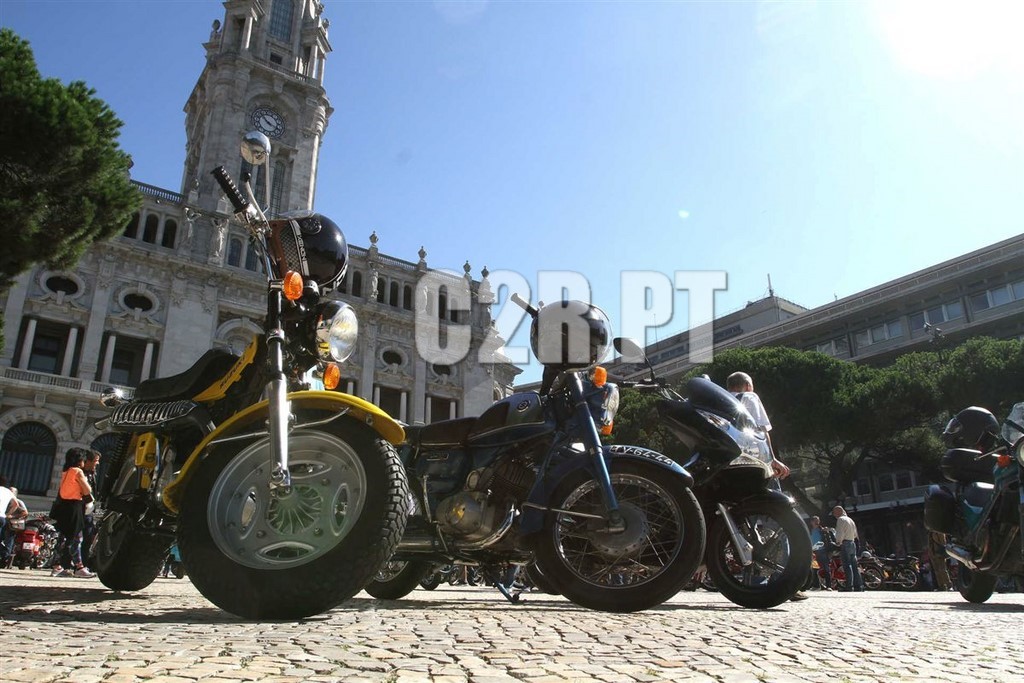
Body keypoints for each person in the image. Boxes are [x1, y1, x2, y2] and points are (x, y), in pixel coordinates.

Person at [726, 371, 806, 601]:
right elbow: (761, 430)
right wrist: (773, 460)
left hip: (733, 468)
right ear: (747, 386)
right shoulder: (750, 398)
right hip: (757, 465)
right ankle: (784, 582)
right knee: (779, 519)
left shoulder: (722, 400)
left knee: (747, 523)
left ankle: (753, 581)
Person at [49, 448, 96, 578]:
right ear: (79, 460)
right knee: (76, 537)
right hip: (75, 506)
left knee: (63, 537)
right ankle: (79, 567)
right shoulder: (77, 471)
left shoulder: (66, 471)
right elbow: (87, 490)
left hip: (64, 506)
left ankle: (57, 566)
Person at [833, 505, 864, 591]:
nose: (834, 514)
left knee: (847, 565)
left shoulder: (840, 519)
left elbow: (840, 532)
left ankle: (849, 586)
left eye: (834, 512)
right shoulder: (850, 520)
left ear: (839, 511)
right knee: (854, 565)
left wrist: (838, 542)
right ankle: (859, 586)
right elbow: (855, 534)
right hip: (852, 542)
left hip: (845, 543)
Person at [0, 477, 29, 567]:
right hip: (4, 520)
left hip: (11, 523)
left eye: (12, 491)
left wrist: (11, 516)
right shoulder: (6, 496)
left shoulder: (18, 502)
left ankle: (6, 556)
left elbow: (25, 512)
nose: (10, 492)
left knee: (9, 539)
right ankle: (5, 554)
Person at [809, 515, 834, 590]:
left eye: (818, 520)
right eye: (815, 520)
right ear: (811, 522)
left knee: (826, 568)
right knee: (814, 569)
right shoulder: (809, 531)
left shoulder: (822, 530)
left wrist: (830, 551)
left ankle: (829, 586)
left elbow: (829, 540)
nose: (817, 522)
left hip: (823, 551)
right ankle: (816, 586)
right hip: (814, 552)